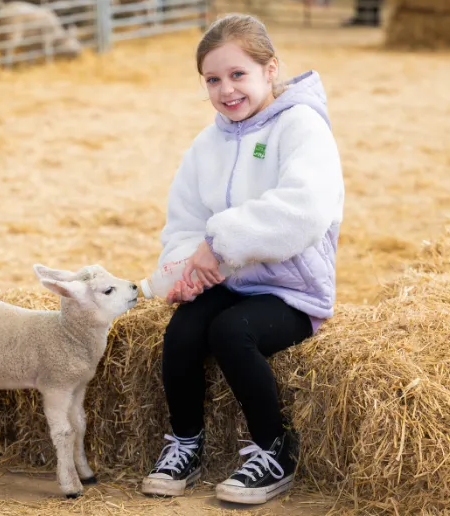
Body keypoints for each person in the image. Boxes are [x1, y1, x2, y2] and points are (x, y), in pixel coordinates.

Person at [139, 12, 345, 505]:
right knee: (184, 330)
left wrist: (222, 244)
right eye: (213, 79)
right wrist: (188, 267)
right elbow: (185, 220)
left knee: (232, 332)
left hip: (291, 288)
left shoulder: (301, 128)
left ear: (270, 69)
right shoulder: (206, 144)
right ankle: (185, 444)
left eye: (238, 75)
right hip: (230, 282)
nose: (226, 89)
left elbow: (305, 208)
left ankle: (275, 450)